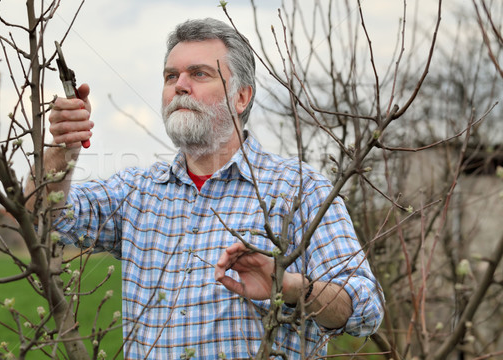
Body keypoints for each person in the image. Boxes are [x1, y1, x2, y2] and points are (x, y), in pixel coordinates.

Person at [38, 18, 383, 359]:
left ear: (241, 97)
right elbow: (43, 219)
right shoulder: (136, 193)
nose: (180, 85)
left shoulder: (300, 189)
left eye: (199, 74)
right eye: (171, 76)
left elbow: (365, 308)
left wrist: (286, 284)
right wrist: (61, 148)